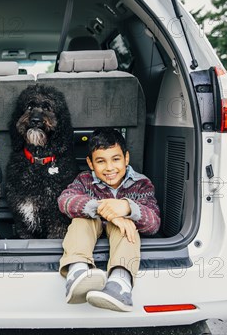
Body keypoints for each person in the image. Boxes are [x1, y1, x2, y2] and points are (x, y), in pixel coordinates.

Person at [57, 128, 160, 312]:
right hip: (90, 232)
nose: (110, 168)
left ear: (126, 158)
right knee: (81, 220)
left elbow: (153, 224)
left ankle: (119, 285)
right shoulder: (84, 180)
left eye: (116, 159)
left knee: (128, 228)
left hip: (121, 238)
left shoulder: (141, 184)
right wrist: (103, 210)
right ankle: (78, 271)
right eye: (100, 161)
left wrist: (128, 208)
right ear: (90, 163)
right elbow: (65, 201)